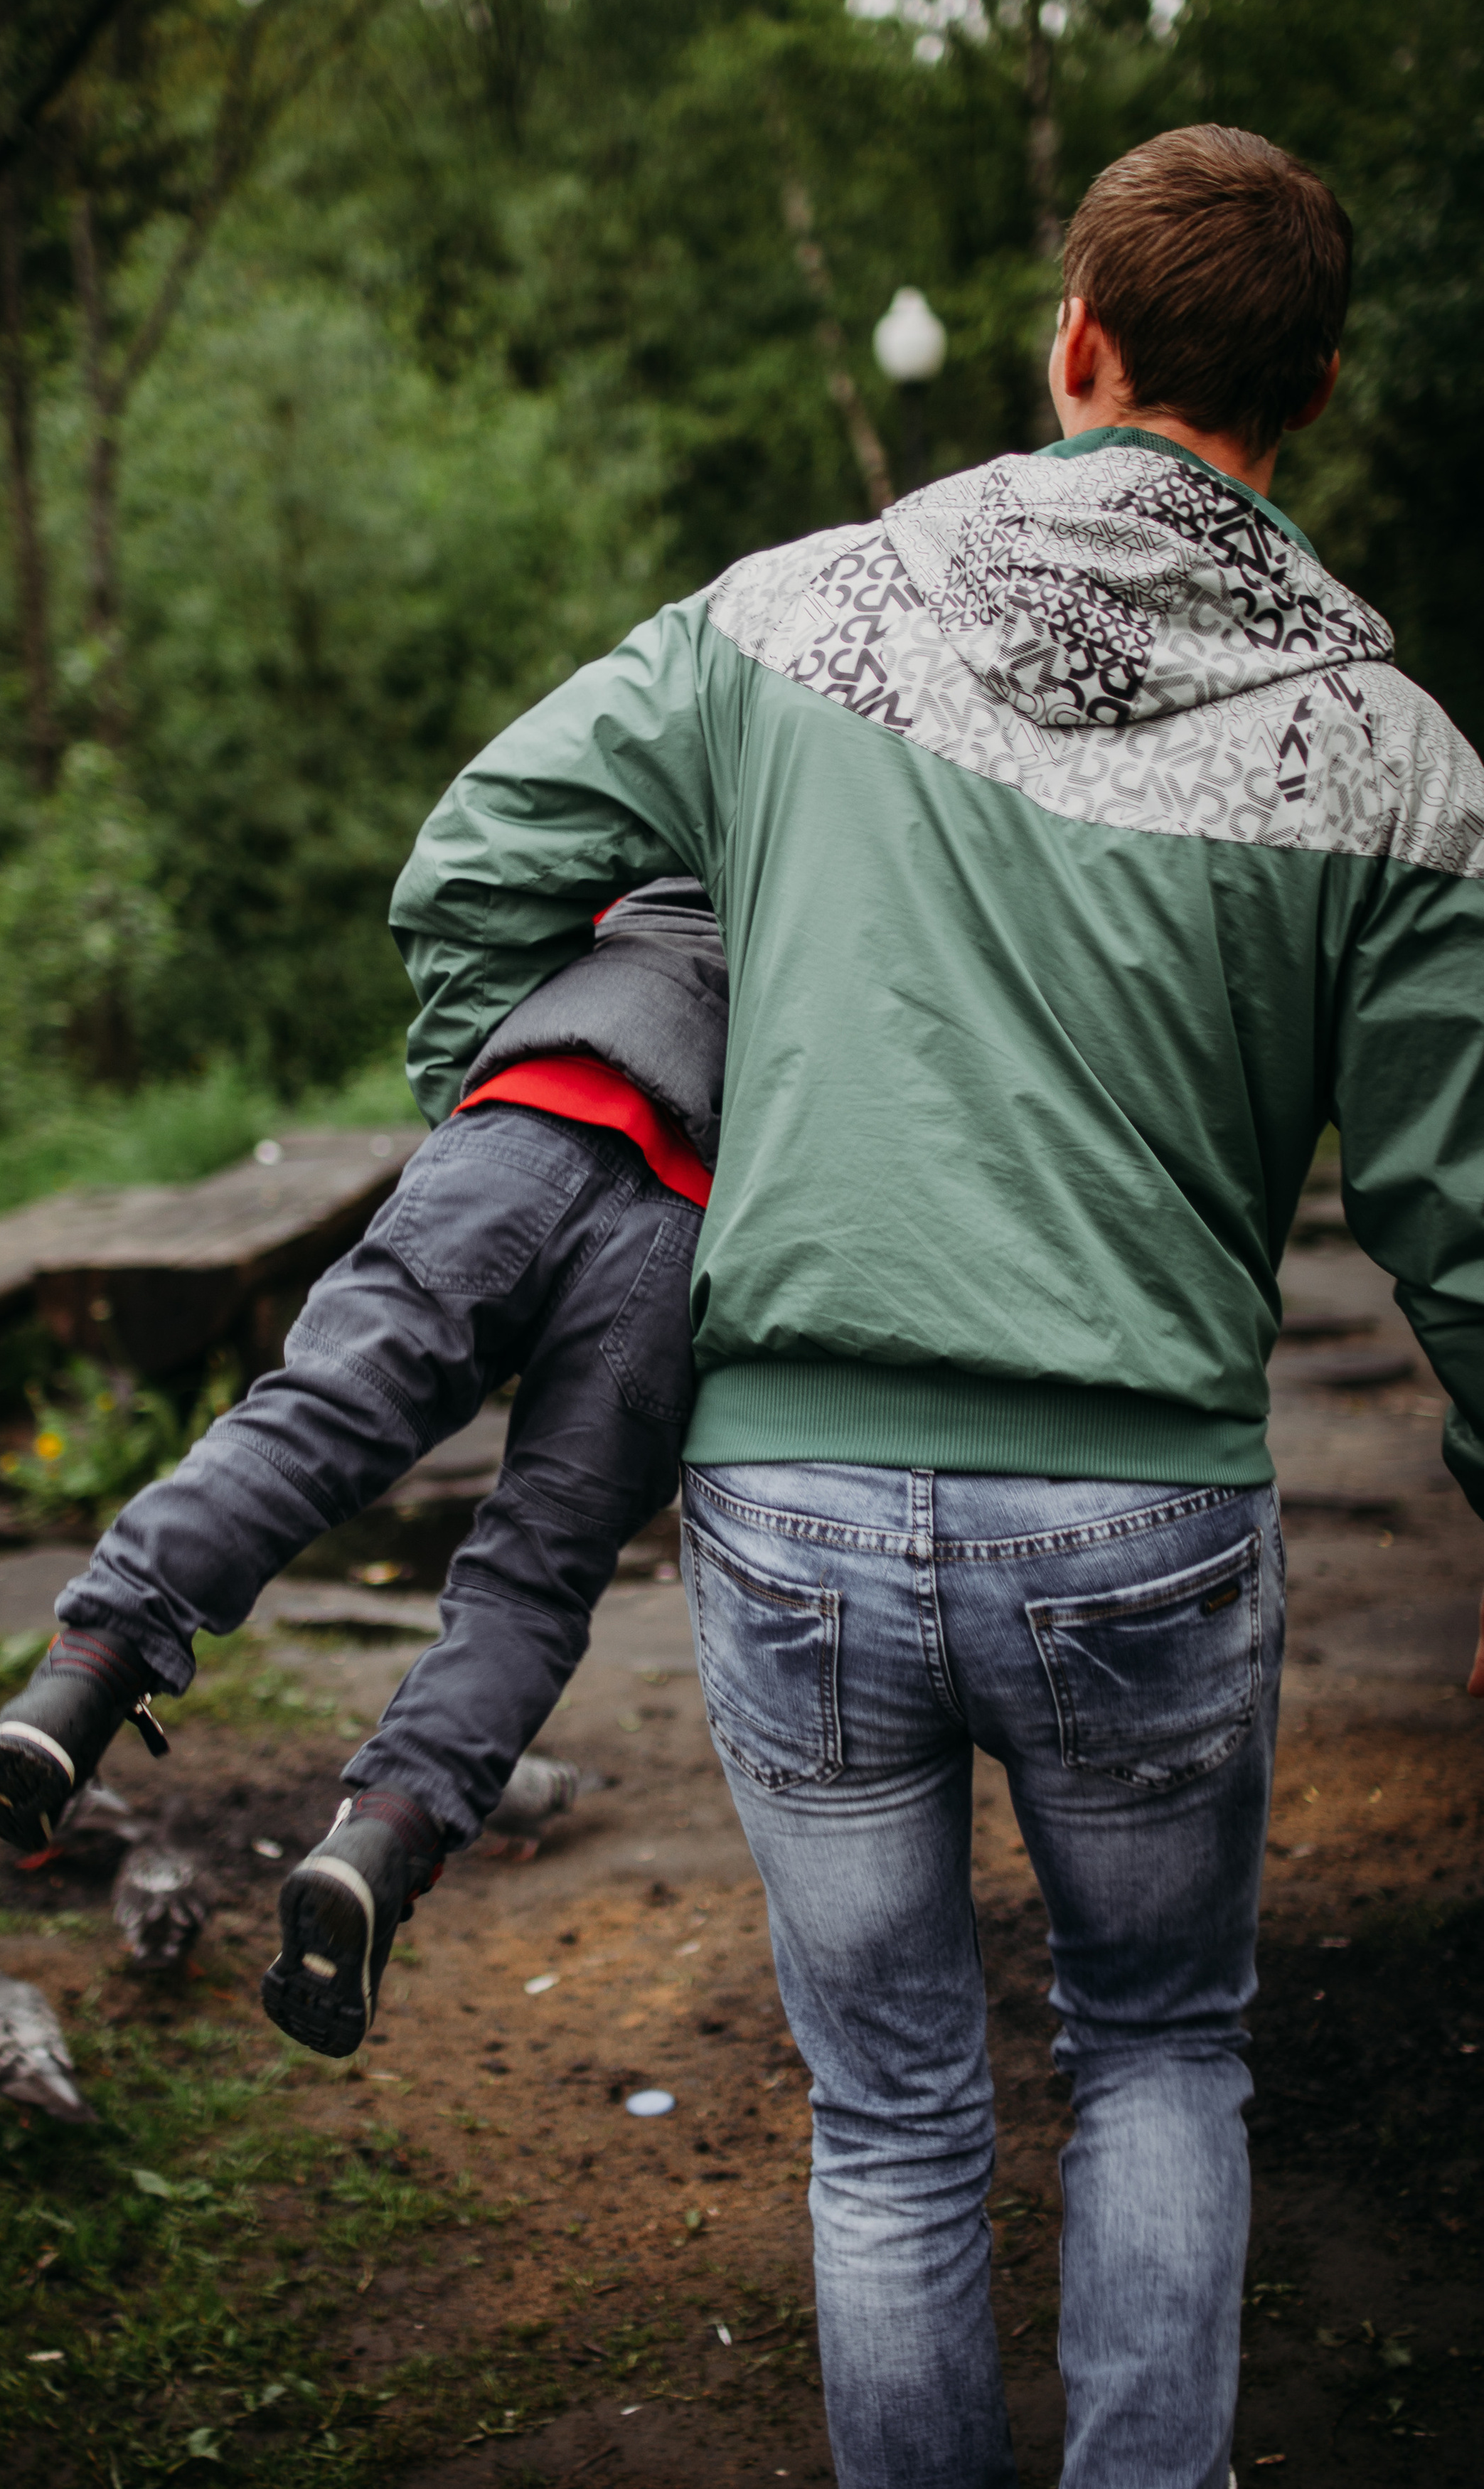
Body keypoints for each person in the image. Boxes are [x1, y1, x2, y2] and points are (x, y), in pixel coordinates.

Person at [383, 126, 1484, 2488]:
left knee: (887, 2116)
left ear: (1075, 339)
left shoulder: (789, 620)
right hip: (1147, 1529)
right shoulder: (1397, 765)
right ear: (1305, 396)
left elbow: (478, 863)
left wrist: (573, 1199)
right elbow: (1462, 1220)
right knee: (1163, 2048)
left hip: (789, 1502)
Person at [0, 880, 725, 2058]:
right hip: (691, 1212)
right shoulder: (866, 881)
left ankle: (81, 1682)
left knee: (312, 1420)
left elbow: (482, 880)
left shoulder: (698, 773)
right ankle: (385, 1837)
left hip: (531, 1114)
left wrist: (466, 1075)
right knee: (533, 1581)